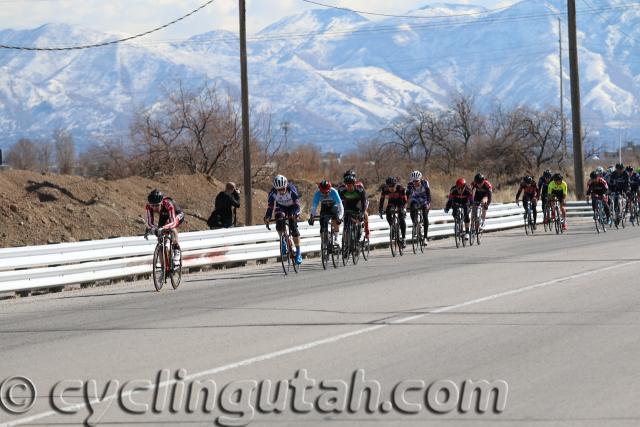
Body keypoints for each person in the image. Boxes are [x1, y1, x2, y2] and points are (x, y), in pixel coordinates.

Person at [264, 174, 303, 265]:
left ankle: (298, 252)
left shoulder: (292, 190)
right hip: (280, 207)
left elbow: (297, 206)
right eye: (279, 189)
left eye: (283, 188)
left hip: (292, 207)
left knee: (293, 227)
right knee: (279, 221)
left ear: (286, 185)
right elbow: (270, 207)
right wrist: (267, 217)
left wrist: (295, 214)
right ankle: (283, 240)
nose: (281, 191)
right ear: (275, 189)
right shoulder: (272, 193)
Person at [145, 189, 185, 268]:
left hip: (177, 214)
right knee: (160, 239)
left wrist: (163, 227)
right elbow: (150, 222)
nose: (154, 208)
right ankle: (164, 268)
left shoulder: (168, 204)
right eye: (152, 205)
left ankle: (176, 250)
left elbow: (173, 222)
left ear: (161, 202)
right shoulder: (149, 206)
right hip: (164, 215)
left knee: (171, 227)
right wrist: (154, 228)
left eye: (157, 205)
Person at [309, 180, 344, 245]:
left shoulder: (334, 192)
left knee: (335, 218)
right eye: (322, 192)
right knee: (322, 223)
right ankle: (324, 242)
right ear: (320, 190)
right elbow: (314, 208)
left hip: (333, 206)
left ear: (329, 190)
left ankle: (336, 237)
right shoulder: (317, 194)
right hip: (324, 208)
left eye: (326, 192)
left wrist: (339, 217)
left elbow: (341, 207)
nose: (324, 194)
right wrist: (312, 217)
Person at [338, 170, 370, 239]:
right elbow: (339, 202)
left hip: (359, 201)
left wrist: (362, 212)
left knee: (364, 213)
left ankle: (366, 230)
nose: (348, 185)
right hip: (349, 201)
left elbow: (363, 201)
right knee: (346, 215)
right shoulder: (342, 188)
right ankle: (346, 236)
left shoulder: (360, 187)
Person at [378, 176, 408, 247]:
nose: (391, 188)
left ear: (396, 185)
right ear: (387, 186)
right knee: (388, 214)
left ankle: (403, 238)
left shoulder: (401, 189)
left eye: (393, 186)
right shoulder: (385, 189)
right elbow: (382, 200)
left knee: (401, 218)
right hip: (392, 203)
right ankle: (393, 227)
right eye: (390, 186)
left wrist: (404, 209)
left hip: (401, 203)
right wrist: (380, 210)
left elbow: (405, 201)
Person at [406, 170, 431, 243]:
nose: (415, 183)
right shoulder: (410, 184)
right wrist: (406, 205)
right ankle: (415, 223)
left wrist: (428, 203)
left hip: (424, 198)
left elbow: (428, 194)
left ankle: (425, 237)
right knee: (412, 207)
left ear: (420, 179)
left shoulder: (425, 183)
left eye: (417, 181)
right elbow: (407, 196)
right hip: (415, 198)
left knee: (425, 215)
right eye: (413, 181)